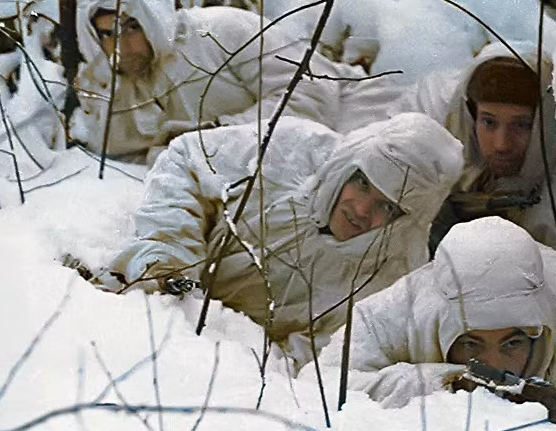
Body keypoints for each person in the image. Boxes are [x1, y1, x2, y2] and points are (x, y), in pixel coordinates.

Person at [102, 112, 464, 365]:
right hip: (155, 294)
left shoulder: (391, 285)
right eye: (361, 183)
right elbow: (186, 161)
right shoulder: (293, 149)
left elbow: (308, 365)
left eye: (386, 206)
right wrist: (169, 252)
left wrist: (219, 346)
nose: (361, 209)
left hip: (216, 357)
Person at [321, 217, 556, 409]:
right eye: (472, 345)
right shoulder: (405, 309)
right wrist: (440, 382)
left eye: (512, 344)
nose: (494, 366)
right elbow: (321, 385)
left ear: (537, 334)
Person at [70, 0, 360, 162]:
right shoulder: (117, 83)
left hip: (359, 121)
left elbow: (312, 95)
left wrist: (217, 133)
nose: (121, 45)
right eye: (107, 35)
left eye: (132, 27)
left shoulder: (223, 28)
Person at [414, 42, 556, 280]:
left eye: (522, 125)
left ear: (546, 120)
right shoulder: (447, 131)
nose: (502, 144)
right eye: (488, 122)